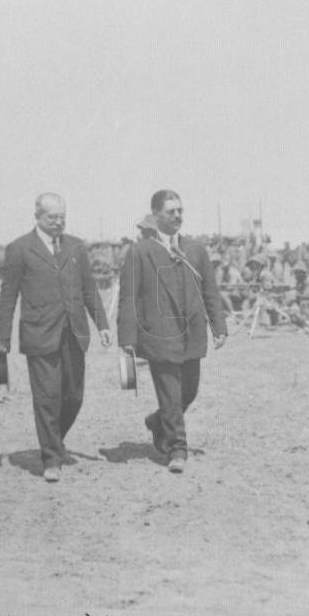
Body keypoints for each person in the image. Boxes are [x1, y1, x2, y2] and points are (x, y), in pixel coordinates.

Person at [0, 193, 112, 483]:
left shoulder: (76, 247)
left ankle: (54, 440)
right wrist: (2, 337)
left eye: (62, 217)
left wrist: (102, 325)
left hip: (74, 332)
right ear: (38, 216)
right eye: (52, 218)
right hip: (39, 333)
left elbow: (88, 288)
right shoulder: (20, 249)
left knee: (73, 396)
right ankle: (51, 458)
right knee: (47, 397)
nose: (58, 222)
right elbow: (8, 296)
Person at [117, 190, 227, 474]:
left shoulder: (195, 250)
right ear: (156, 216)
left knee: (189, 391)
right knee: (170, 393)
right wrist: (127, 339)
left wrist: (219, 326)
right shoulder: (139, 252)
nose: (178, 216)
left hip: (192, 333)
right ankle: (177, 448)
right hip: (159, 335)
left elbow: (210, 291)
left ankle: (157, 421)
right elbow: (128, 297)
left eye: (180, 210)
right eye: (171, 212)